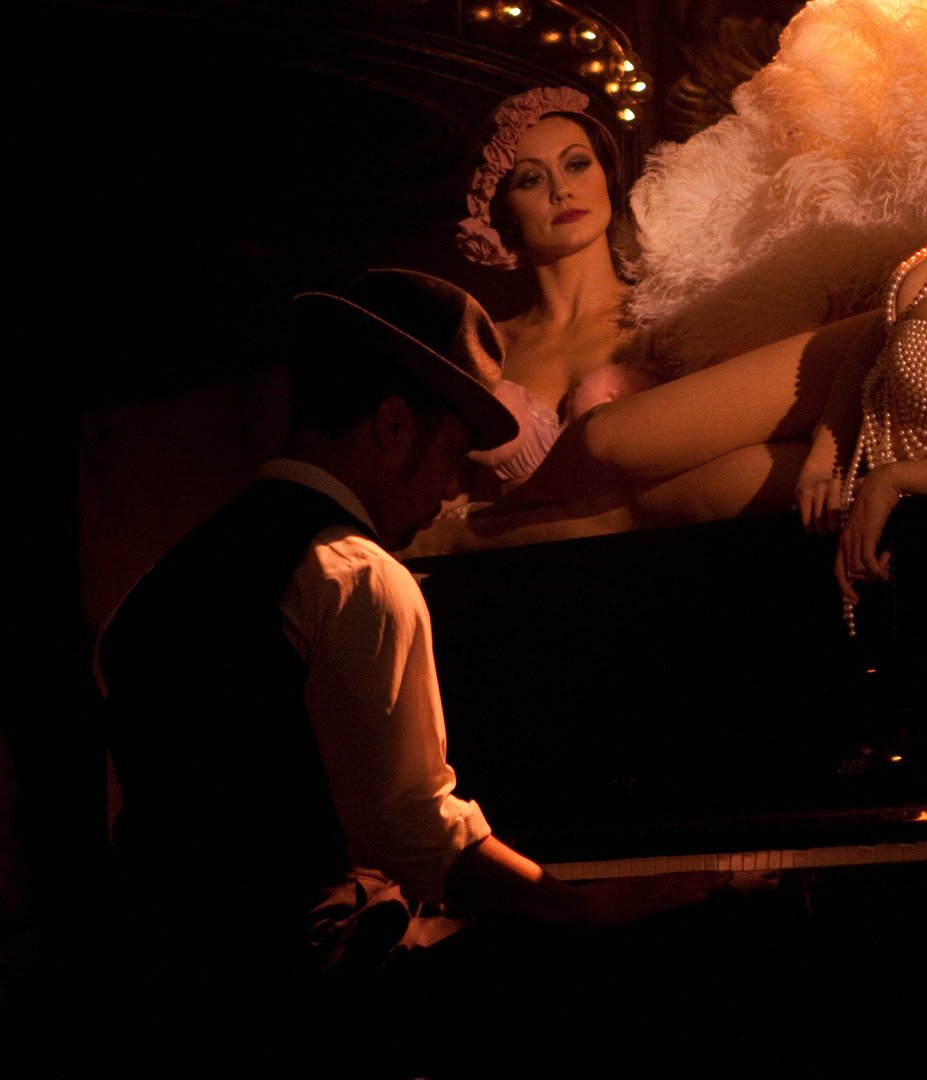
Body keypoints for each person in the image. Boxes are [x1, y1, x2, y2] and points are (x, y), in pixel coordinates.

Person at [93, 269, 730, 1065]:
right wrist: (576, 907)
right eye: (454, 453)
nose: (457, 485)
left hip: (155, 992)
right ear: (394, 425)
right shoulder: (355, 575)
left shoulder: (156, 586)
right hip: (308, 996)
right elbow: (415, 833)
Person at [424, 7, 927, 618]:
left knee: (634, 506)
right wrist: (828, 446)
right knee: (609, 441)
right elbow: (884, 338)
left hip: (900, 473)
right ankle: (477, 525)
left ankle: (461, 545)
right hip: (852, 426)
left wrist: (892, 483)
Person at [453, 86, 658, 492]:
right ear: (504, 211)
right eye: (531, 178)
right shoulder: (488, 349)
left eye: (577, 164)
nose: (561, 190)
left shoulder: (663, 319)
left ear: (606, 176)